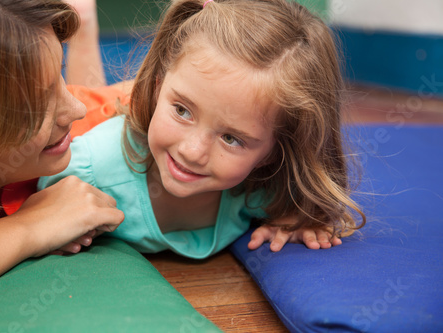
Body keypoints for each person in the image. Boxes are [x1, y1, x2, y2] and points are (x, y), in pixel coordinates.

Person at [39, 0, 366, 260]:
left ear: (273, 153)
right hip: (107, 113)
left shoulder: (266, 187)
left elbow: (306, 203)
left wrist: (297, 221)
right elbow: (34, 218)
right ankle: (83, 23)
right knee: (86, 102)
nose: (191, 152)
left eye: (231, 138)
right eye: (182, 110)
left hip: (162, 102)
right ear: (157, 88)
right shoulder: (86, 171)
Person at [0, 0, 125, 303]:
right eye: (37, 107)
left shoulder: (69, 136)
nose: (75, 109)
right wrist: (31, 226)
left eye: (60, 74)